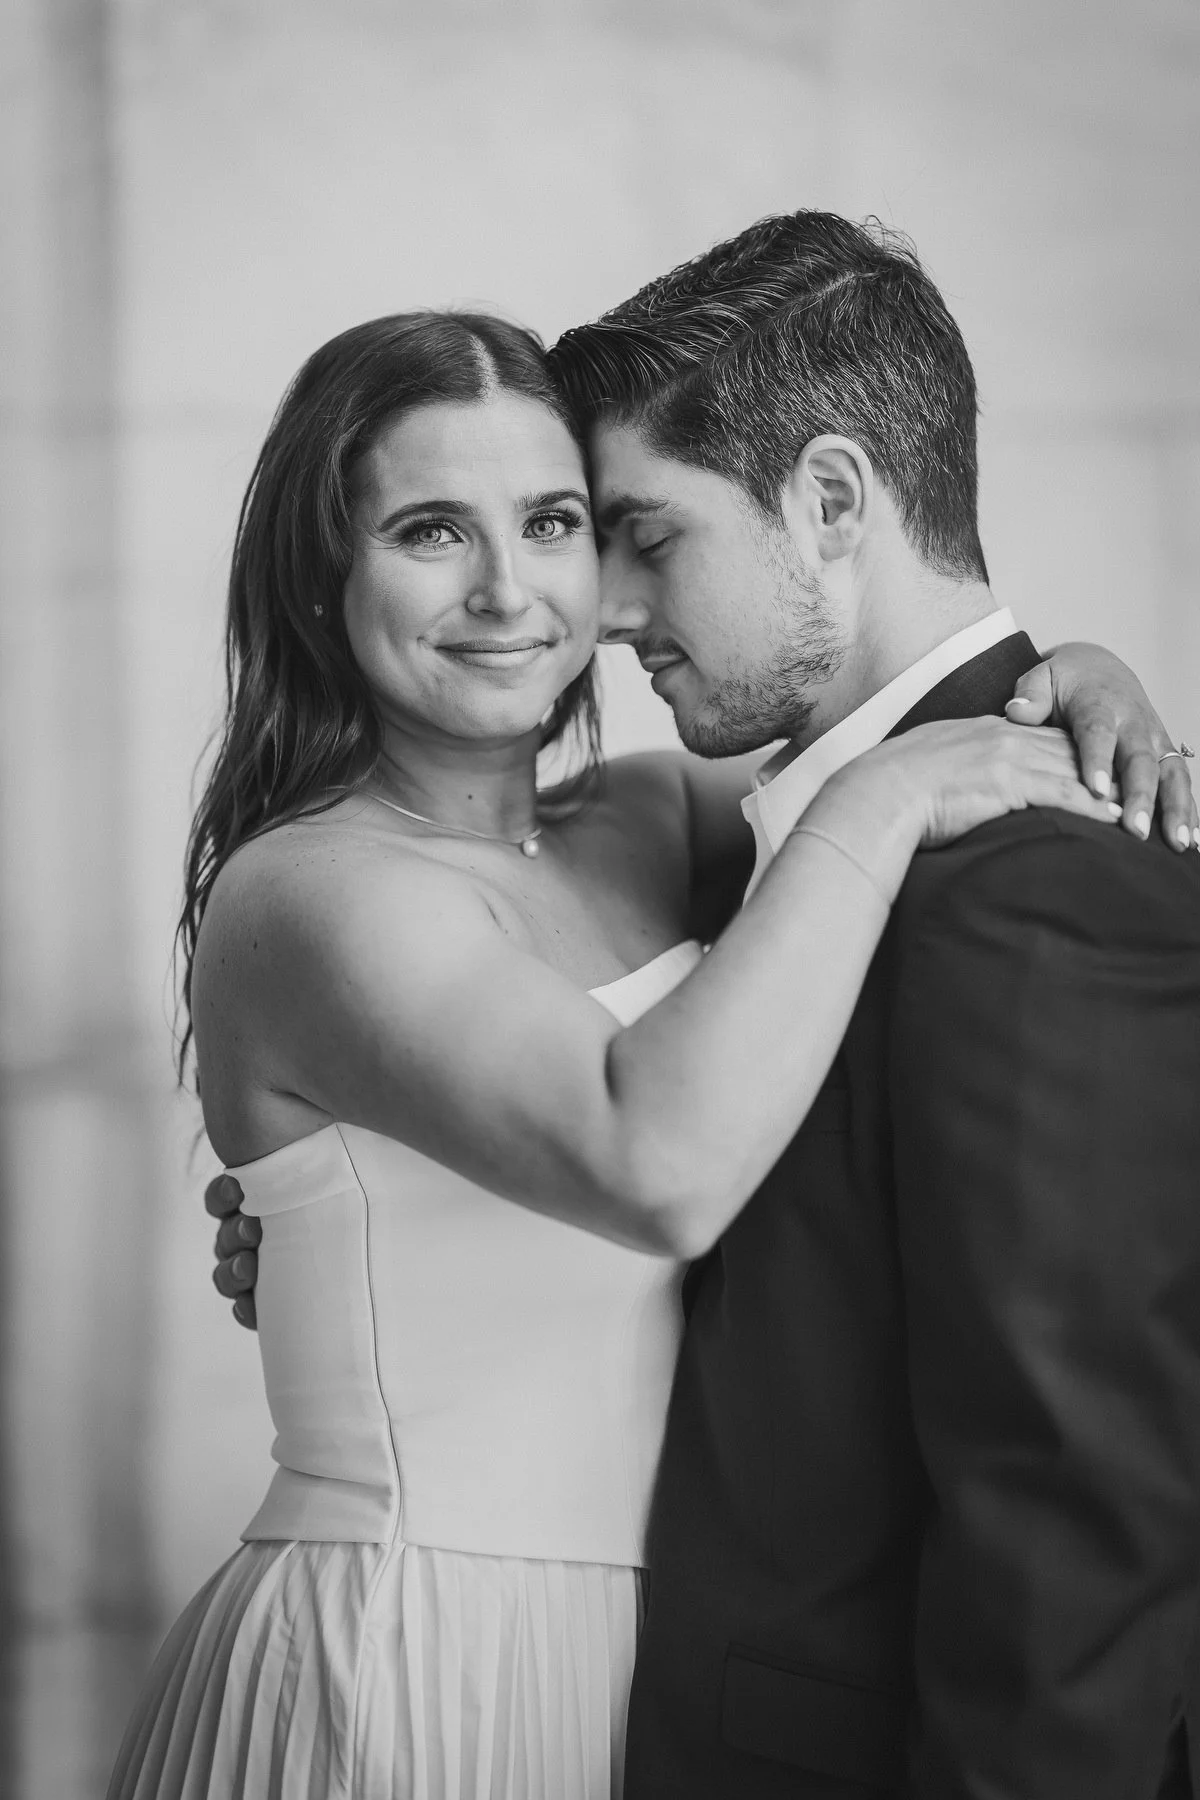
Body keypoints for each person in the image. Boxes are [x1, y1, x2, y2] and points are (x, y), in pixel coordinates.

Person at [174, 306, 1184, 1800]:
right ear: (326, 584)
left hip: (675, 1668)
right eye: (432, 531)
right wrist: (890, 802)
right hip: (422, 1645)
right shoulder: (306, 894)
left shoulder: (658, 823)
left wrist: (1076, 676)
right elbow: (658, 1160)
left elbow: (878, 753)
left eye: (560, 521)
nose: (510, 588)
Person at [533, 210, 1200, 1799]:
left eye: (649, 536)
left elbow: (1074, 1523)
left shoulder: (1039, 884)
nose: (605, 613)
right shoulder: (789, 830)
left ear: (831, 499)